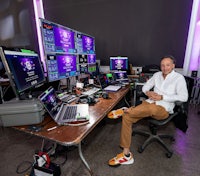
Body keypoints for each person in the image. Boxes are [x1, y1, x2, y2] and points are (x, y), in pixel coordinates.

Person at [108, 55, 188, 167]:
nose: (164, 68)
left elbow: (184, 97)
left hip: (163, 109)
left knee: (149, 108)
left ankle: (127, 110)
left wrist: (162, 98)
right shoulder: (157, 75)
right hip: (149, 104)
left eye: (168, 65)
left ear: (173, 65)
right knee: (127, 118)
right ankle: (126, 155)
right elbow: (145, 87)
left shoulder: (179, 78)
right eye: (162, 65)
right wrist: (149, 93)